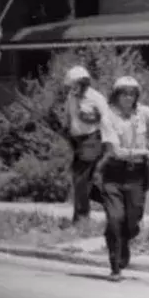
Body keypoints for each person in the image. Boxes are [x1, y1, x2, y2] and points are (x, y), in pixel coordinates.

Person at [97, 76, 149, 281]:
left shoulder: (143, 113)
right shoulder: (108, 117)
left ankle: (124, 241)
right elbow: (115, 151)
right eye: (124, 93)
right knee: (115, 219)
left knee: (133, 221)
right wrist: (144, 152)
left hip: (137, 175)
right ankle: (115, 265)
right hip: (113, 174)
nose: (128, 98)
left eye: (132, 94)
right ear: (116, 95)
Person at [64, 65, 109, 224]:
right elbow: (69, 117)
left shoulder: (96, 98)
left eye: (74, 85)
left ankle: (81, 218)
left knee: (80, 178)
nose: (72, 88)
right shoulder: (71, 97)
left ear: (83, 83)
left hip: (92, 139)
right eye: (70, 86)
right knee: (86, 181)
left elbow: (106, 120)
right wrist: (67, 132)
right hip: (77, 141)